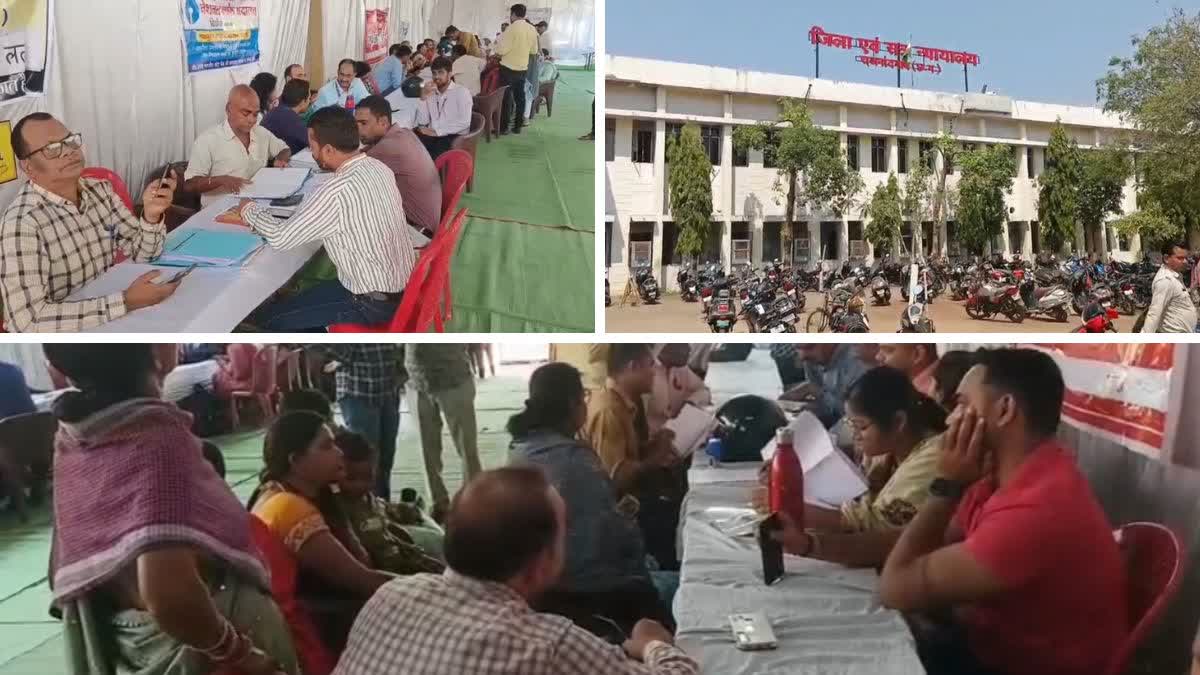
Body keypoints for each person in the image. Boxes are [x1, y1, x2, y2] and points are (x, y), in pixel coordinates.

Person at [44, 344, 297, 675]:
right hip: (210, 656)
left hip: (130, 648)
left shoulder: (75, 440)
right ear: (156, 354)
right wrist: (240, 653)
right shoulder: (157, 441)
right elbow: (168, 595)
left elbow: (61, 570)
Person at [879, 349, 1127, 675]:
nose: (951, 419)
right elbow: (928, 544)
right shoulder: (1005, 476)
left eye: (963, 405)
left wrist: (946, 487)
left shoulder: (1037, 509)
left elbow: (895, 587)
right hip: (988, 646)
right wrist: (818, 544)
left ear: (1005, 410)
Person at [332, 466, 700, 675]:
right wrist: (654, 644)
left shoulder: (390, 595)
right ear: (541, 564)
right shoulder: (545, 644)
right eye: (563, 531)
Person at [509, 363, 675, 635]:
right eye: (584, 397)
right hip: (592, 592)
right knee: (678, 588)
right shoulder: (577, 462)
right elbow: (612, 538)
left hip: (545, 591)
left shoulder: (520, 450)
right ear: (574, 405)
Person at [237, 107, 417, 331]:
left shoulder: (335, 191)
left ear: (329, 149)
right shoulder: (379, 167)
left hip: (369, 301)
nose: (313, 155)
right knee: (296, 304)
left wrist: (248, 209)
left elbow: (281, 237)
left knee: (273, 321)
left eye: (313, 148)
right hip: (402, 285)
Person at [1, 113, 178, 332]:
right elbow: (27, 323)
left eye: (70, 140)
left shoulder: (100, 190)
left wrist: (151, 215)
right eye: (52, 148)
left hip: (108, 318)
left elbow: (143, 254)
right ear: (27, 167)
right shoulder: (22, 225)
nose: (69, 151)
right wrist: (125, 302)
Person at [249, 411, 396, 653]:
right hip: (315, 631)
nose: (339, 453)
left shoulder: (278, 490)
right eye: (327, 446)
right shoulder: (290, 508)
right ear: (295, 460)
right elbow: (362, 579)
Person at [771, 367, 946, 568]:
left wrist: (797, 513)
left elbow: (876, 527)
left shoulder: (933, 456)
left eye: (861, 426)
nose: (855, 435)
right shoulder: (889, 447)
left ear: (898, 422)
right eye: (851, 425)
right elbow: (858, 500)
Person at [585, 344, 684, 570]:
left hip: (632, 498)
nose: (654, 372)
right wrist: (654, 460)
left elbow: (629, 455)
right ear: (632, 367)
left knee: (678, 507)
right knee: (673, 521)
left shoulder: (626, 403)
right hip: (615, 511)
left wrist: (653, 445)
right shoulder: (609, 409)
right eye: (650, 366)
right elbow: (614, 480)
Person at [334, 428, 445, 574]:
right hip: (382, 571)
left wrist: (409, 547)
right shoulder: (339, 508)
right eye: (352, 479)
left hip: (398, 558)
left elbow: (385, 529)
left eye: (368, 478)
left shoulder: (369, 499)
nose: (362, 485)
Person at [311, 344, 404, 500]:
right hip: (358, 392)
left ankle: (381, 504)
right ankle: (362, 508)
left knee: (386, 457)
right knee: (362, 459)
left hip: (388, 390)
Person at [406, 344, 483, 524]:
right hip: (416, 381)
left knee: (466, 447)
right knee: (427, 449)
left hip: (454, 379)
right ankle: (438, 502)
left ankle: (475, 500)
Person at [184, 85, 291, 206]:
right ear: (228, 109)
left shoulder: (260, 132)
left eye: (255, 114)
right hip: (219, 213)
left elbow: (284, 149)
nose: (251, 120)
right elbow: (189, 185)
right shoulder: (208, 140)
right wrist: (221, 180)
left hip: (256, 206)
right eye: (246, 113)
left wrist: (280, 159)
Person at [355, 95, 442, 234]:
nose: (357, 129)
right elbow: (366, 152)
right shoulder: (405, 133)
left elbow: (349, 169)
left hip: (418, 233)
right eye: (356, 123)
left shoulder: (388, 147)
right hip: (427, 222)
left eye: (363, 123)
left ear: (383, 122)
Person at [779, 344, 871, 428]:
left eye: (809, 347)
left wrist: (818, 394)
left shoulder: (858, 360)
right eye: (797, 348)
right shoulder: (812, 360)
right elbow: (816, 389)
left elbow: (858, 418)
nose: (802, 356)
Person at [415, 56, 473, 160]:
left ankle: (433, 175)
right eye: (434, 73)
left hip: (453, 136)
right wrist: (423, 97)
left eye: (440, 72)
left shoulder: (462, 92)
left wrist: (437, 131)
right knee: (410, 144)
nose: (436, 76)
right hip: (433, 134)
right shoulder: (431, 92)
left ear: (450, 74)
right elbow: (423, 120)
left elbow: (465, 122)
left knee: (430, 158)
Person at [646, 344, 711, 434]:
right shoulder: (645, 372)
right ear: (664, 347)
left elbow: (704, 392)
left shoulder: (682, 370)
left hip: (678, 434)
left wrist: (691, 402)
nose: (688, 348)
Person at [495, 4, 539, 134]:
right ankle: (517, 127)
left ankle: (504, 128)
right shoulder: (532, 29)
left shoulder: (511, 28)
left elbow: (501, 50)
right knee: (520, 98)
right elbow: (534, 50)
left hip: (507, 69)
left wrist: (497, 51)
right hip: (522, 69)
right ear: (524, 14)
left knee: (506, 99)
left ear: (513, 14)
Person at [1142, 241, 1198, 333]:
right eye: (1180, 258)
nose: (1185, 261)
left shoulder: (1175, 276)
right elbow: (1154, 314)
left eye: (1185, 258)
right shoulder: (1165, 280)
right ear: (1166, 258)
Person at [262, 78, 313, 154]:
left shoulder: (275, 111)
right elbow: (313, 142)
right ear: (302, 102)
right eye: (309, 98)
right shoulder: (291, 119)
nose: (310, 101)